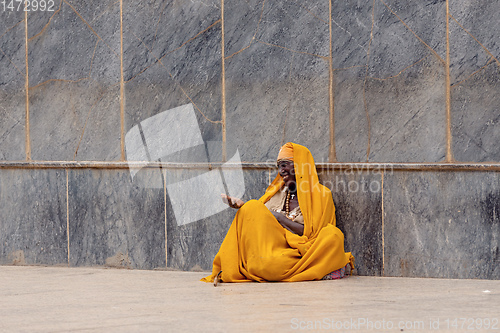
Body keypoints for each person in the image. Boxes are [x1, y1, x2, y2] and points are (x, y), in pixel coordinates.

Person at [201, 142, 354, 284]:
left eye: (284, 165)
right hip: (273, 254)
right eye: (278, 167)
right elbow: (260, 221)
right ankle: (314, 269)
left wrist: (280, 218)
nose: (280, 171)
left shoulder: (322, 195)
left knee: (333, 236)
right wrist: (244, 207)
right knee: (253, 208)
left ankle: (306, 266)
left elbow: (315, 235)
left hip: (304, 253)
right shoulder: (277, 193)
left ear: (299, 165)